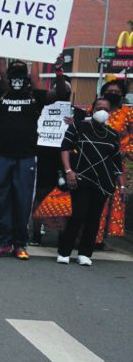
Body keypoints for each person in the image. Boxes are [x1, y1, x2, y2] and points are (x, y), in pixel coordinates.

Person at [0, 57, 69, 259]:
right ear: (7, 77)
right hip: (2, 156)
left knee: (23, 202)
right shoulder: (0, 94)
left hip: (26, 157)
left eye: (21, 75)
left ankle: (20, 244)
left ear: (27, 78)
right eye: (13, 74)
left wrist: (58, 71)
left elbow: (61, 93)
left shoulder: (36, 96)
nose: (17, 79)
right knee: (1, 200)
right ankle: (3, 243)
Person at [57, 97, 123, 266]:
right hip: (81, 178)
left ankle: (85, 253)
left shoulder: (113, 135)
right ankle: (64, 251)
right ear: (92, 110)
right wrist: (68, 170)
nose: (102, 112)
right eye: (99, 108)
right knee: (78, 215)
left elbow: (116, 163)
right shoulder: (78, 127)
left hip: (103, 181)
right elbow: (64, 148)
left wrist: (121, 185)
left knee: (94, 218)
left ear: (110, 113)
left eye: (106, 109)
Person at [94, 79, 132, 247]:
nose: (113, 94)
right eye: (110, 91)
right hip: (93, 161)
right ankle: (89, 236)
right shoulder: (94, 109)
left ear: (122, 95)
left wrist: (126, 150)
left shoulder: (128, 113)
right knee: (92, 199)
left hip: (115, 163)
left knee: (110, 201)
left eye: (117, 92)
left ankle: (100, 238)